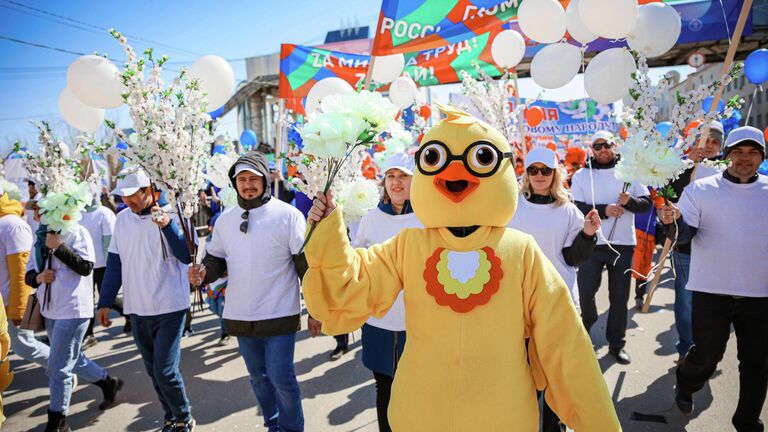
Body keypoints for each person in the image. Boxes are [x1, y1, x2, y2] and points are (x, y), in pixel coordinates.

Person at [302, 105, 620, 431]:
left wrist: (597, 421)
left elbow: (565, 343)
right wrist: (328, 229)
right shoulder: (408, 245)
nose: (454, 172)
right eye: (435, 159)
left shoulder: (521, 250)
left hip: (500, 414)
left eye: (482, 158)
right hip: (423, 412)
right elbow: (351, 285)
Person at [189, 152, 307, 432]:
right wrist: (203, 273)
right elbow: (214, 259)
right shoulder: (225, 220)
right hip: (241, 314)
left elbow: (304, 266)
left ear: (266, 180)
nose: (248, 184)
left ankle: (292, 428)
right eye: (242, 179)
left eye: (254, 178)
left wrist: (316, 308)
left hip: (280, 312)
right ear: (234, 183)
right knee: (258, 378)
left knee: (282, 378)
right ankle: (273, 423)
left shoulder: (288, 215)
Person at [660, 126, 768, 431]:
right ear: (727, 155)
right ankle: (686, 382)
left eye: (752, 152)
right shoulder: (700, 189)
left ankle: (747, 421)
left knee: (757, 363)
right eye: (738, 152)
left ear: (761, 156)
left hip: (759, 294)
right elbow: (685, 237)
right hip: (711, 290)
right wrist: (674, 222)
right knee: (706, 356)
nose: (745, 159)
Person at [507, 147, 601, 432]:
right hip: (517, 303)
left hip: (555, 300)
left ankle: (553, 426)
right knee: (522, 373)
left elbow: (574, 258)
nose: (539, 175)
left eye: (545, 170)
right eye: (533, 170)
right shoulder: (512, 206)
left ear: (555, 174)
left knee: (552, 372)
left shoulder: (569, 211)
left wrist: (587, 233)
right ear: (526, 174)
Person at [97, 169, 196, 432]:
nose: (126, 200)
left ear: (149, 191)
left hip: (170, 306)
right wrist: (105, 301)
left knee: (165, 370)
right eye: (123, 195)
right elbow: (115, 263)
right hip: (137, 309)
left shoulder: (174, 214)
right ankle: (170, 417)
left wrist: (167, 226)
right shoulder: (122, 220)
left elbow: (188, 256)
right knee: (154, 371)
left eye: (132, 194)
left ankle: (184, 417)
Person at [25, 199, 122, 432]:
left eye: (40, 210)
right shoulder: (39, 237)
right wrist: (38, 278)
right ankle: (108, 382)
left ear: (54, 212)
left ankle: (57, 421)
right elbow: (29, 274)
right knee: (72, 358)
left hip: (73, 308)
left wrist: (59, 247)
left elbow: (86, 267)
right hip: (49, 309)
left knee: (58, 367)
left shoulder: (77, 232)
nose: (35, 215)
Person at [352, 153, 422, 432]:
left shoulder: (428, 218)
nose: (397, 182)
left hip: (418, 320)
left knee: (417, 387)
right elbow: (358, 259)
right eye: (391, 176)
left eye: (403, 176)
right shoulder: (370, 219)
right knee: (384, 385)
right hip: (379, 320)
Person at [571, 130, 651, 365]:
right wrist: (605, 210)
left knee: (619, 298)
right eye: (598, 146)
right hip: (591, 243)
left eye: (607, 145)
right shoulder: (582, 175)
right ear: (592, 150)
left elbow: (645, 204)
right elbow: (575, 207)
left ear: (615, 146)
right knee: (585, 291)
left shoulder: (630, 172)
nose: (603, 149)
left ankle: (616, 344)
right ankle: (589, 317)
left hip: (623, 245)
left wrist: (630, 202)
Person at [664, 121, 725, 364]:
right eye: (705, 140)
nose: (709, 146)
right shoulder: (681, 167)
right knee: (686, 302)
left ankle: (709, 349)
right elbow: (669, 196)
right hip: (685, 249)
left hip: (718, 251)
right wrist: (687, 166)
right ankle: (687, 348)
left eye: (714, 141)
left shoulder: (728, 169)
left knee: (716, 304)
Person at [1, 185, 50, 370]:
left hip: (20, 302)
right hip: (4, 304)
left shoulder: (12, 225)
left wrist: (20, 310)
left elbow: (23, 271)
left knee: (25, 346)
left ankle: (68, 372)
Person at [80, 196, 118, 349]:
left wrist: (112, 266)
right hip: (85, 265)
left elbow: (109, 240)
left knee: (107, 296)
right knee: (88, 300)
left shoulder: (104, 213)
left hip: (103, 265)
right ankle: (88, 334)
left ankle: (129, 315)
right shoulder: (79, 214)